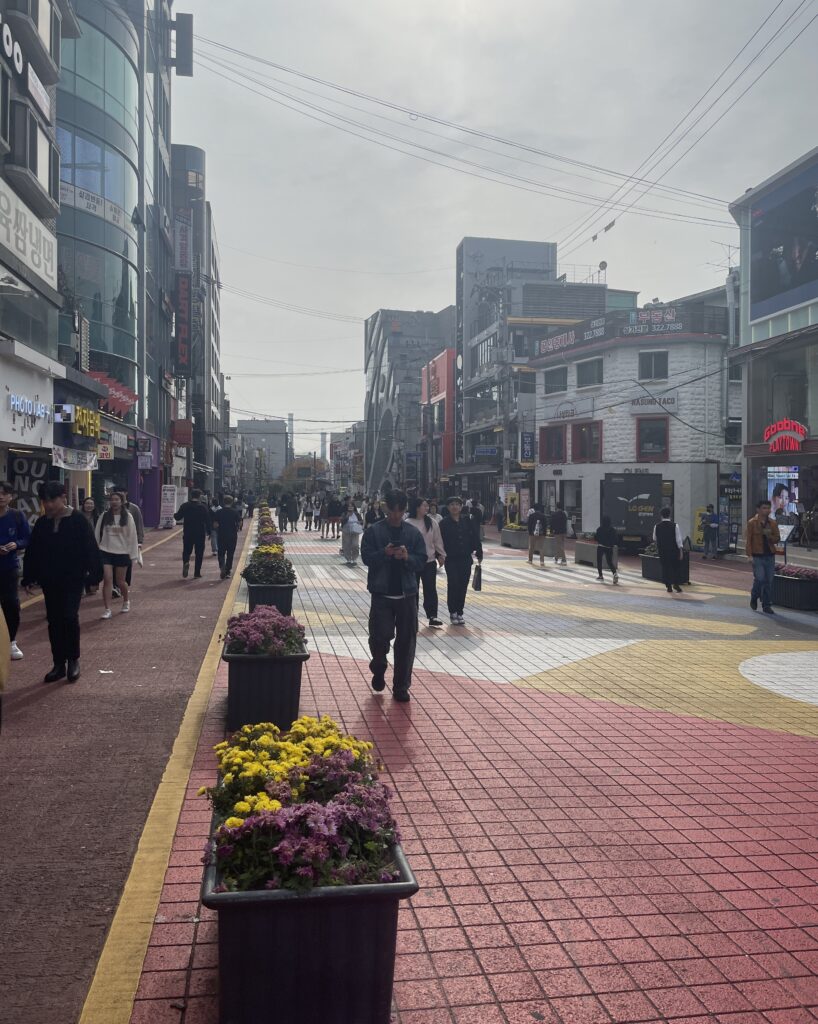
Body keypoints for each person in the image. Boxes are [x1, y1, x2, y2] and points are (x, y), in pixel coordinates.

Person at [21, 481, 102, 683]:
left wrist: (94, 576)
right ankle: (58, 663)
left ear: (63, 498)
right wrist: (29, 577)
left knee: (69, 617)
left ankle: (73, 660)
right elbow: (33, 552)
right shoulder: (42, 523)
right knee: (54, 620)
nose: (49, 505)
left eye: (52, 500)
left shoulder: (78, 520)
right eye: (45, 501)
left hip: (73, 578)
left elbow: (90, 549)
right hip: (50, 580)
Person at [360, 490, 427, 702]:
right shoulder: (374, 532)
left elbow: (422, 560)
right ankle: (378, 666)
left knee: (406, 643)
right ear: (386, 508)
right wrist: (385, 553)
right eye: (393, 510)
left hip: (407, 595)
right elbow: (367, 557)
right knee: (380, 638)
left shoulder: (413, 534)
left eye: (400, 511)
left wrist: (407, 557)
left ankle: (401, 687)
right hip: (382, 595)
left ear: (405, 509)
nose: (396, 515)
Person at [440, 496, 483, 625]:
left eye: (457, 504)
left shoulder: (467, 521)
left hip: (465, 558)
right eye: (452, 504)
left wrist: (479, 551)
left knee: (463, 585)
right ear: (448, 507)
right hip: (451, 559)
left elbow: (475, 536)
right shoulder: (444, 523)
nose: (454, 507)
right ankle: (452, 611)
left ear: (461, 507)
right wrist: (439, 555)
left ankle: (460, 612)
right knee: (453, 583)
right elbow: (439, 541)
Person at [0, 481, 31, 661]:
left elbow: (27, 538)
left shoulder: (17, 516)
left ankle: (11, 641)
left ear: (11, 497)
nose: (1, 496)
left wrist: (16, 544)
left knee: (11, 605)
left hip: (10, 567)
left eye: (5, 493)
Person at [96, 491, 139, 618]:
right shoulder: (104, 516)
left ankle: (126, 600)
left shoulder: (128, 517)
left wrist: (133, 555)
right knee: (107, 579)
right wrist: (96, 549)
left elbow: (132, 537)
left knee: (121, 581)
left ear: (122, 502)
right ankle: (107, 609)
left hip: (122, 552)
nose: (114, 502)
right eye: (112, 499)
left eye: (117, 499)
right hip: (105, 551)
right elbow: (97, 533)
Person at [406, 497, 446, 627]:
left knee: (430, 589)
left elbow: (437, 540)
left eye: (427, 506)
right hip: (413, 561)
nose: (427, 508)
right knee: (413, 589)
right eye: (424, 506)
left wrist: (441, 555)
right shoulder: (408, 522)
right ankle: (413, 614)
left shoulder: (432, 522)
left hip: (429, 561)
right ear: (417, 507)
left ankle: (432, 615)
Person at [746, 499, 780, 613]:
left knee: (768, 580)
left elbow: (777, 539)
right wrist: (749, 555)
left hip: (769, 555)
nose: (767, 510)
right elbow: (749, 540)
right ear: (758, 509)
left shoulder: (773, 523)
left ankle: (766, 605)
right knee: (760, 578)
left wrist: (770, 535)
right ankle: (754, 595)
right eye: (764, 508)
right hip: (757, 555)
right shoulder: (752, 522)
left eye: (768, 508)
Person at [174, 488, 211, 578]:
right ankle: (197, 573)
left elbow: (178, 517)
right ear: (199, 496)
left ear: (191, 495)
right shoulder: (203, 507)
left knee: (186, 551)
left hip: (188, 532)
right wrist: (209, 532)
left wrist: (174, 514)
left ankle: (186, 562)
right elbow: (207, 520)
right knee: (199, 553)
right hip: (200, 533)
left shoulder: (185, 506)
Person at [653, 507, 683, 594]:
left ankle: (668, 586)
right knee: (676, 568)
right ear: (670, 515)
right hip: (674, 550)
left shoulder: (657, 526)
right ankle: (676, 584)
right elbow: (678, 540)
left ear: (661, 515)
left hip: (663, 551)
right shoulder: (675, 525)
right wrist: (680, 551)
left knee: (665, 568)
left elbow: (654, 538)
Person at [119, 489, 145, 586]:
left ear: (126, 493)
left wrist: (140, 541)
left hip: (129, 542)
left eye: (121, 492)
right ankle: (115, 586)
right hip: (115, 542)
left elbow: (139, 525)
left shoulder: (134, 508)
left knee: (127, 564)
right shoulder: (110, 510)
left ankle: (124, 584)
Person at [213, 495, 242, 579]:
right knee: (230, 554)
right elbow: (240, 523)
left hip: (221, 535)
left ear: (223, 502)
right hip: (232, 536)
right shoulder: (235, 512)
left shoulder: (219, 512)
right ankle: (228, 571)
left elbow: (215, 525)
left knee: (221, 553)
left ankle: (222, 565)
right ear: (232, 502)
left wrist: (218, 528)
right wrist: (237, 528)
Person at [594, 516, 619, 584]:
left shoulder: (599, 529)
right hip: (609, 547)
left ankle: (600, 575)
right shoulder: (612, 530)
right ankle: (615, 573)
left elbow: (596, 537)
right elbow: (616, 539)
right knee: (609, 562)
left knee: (599, 561)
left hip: (601, 546)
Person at [340, 499, 364, 565]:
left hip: (355, 531)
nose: (350, 508)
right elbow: (342, 521)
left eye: (352, 506)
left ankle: (354, 558)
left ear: (354, 507)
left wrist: (359, 522)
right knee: (347, 545)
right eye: (349, 506)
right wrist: (347, 516)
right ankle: (348, 558)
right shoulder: (344, 513)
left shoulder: (356, 514)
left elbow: (361, 521)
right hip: (346, 531)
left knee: (355, 545)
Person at [527, 502, 548, 566]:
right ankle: (542, 561)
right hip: (541, 534)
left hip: (533, 533)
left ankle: (530, 560)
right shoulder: (543, 516)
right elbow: (545, 525)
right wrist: (545, 533)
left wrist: (530, 532)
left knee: (531, 547)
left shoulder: (531, 516)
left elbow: (529, 525)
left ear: (534, 509)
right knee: (541, 547)